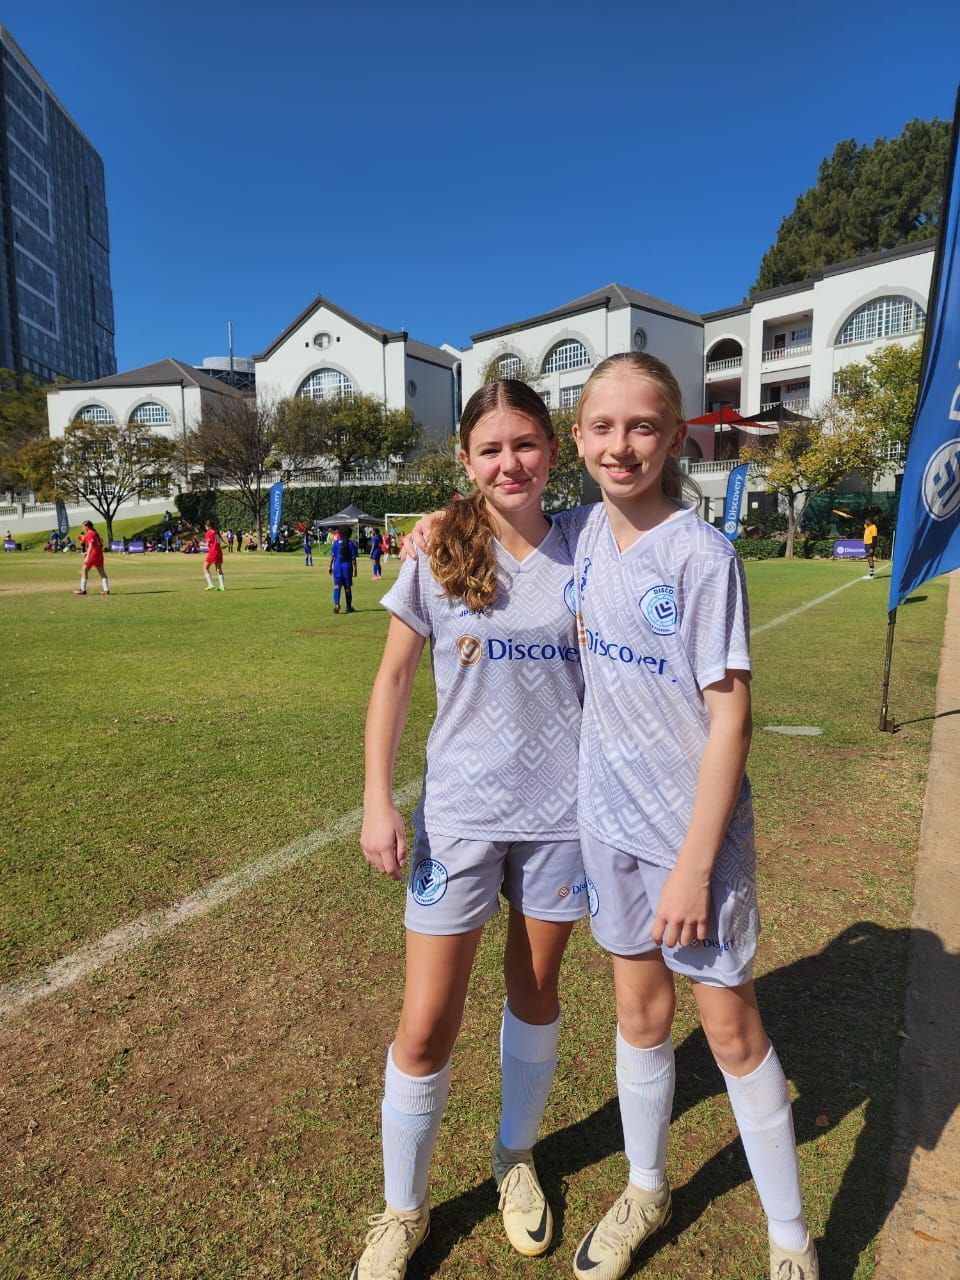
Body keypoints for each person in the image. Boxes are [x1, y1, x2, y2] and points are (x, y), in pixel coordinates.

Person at [565, 353, 817, 1280]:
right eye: (602, 427)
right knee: (638, 1013)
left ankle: (790, 1237)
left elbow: (732, 716)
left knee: (730, 1029)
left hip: (691, 846)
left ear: (675, 437)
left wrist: (695, 867)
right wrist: (442, 521)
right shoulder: (581, 535)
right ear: (579, 440)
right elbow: (496, 522)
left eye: (642, 427)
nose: (621, 445)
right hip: (610, 828)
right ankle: (645, 1186)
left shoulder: (702, 555)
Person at [351, 380, 587, 1280]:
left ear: (552, 450)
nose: (509, 464)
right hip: (457, 819)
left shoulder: (589, 548)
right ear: (465, 461)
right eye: (490, 450)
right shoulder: (438, 549)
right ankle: (403, 1211)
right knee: (425, 1023)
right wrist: (380, 799)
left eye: (524, 445)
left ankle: (514, 1160)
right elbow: (394, 682)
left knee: (534, 992)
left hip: (562, 820)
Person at [74, 520, 109, 595]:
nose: (83, 528)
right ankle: (106, 591)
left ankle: (83, 590)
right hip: (99, 554)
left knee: (84, 570)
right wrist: (86, 552)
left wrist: (87, 556)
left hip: (93, 555)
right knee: (102, 572)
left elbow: (91, 546)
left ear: (87, 526)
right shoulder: (95, 533)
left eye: (83, 526)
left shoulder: (90, 534)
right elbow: (98, 544)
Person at [329, 526, 357, 613]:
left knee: (337, 586)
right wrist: (355, 569)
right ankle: (348, 607)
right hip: (347, 567)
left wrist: (330, 566)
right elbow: (353, 558)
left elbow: (333, 557)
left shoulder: (336, 543)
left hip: (337, 567)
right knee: (347, 588)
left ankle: (337, 604)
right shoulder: (351, 544)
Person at [203, 520, 225, 591]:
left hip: (213, 552)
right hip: (219, 551)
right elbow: (218, 542)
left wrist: (200, 544)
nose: (205, 528)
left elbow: (207, 544)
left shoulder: (208, 533)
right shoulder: (216, 532)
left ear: (209, 526)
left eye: (206, 526)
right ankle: (222, 586)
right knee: (218, 568)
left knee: (205, 567)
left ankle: (210, 584)